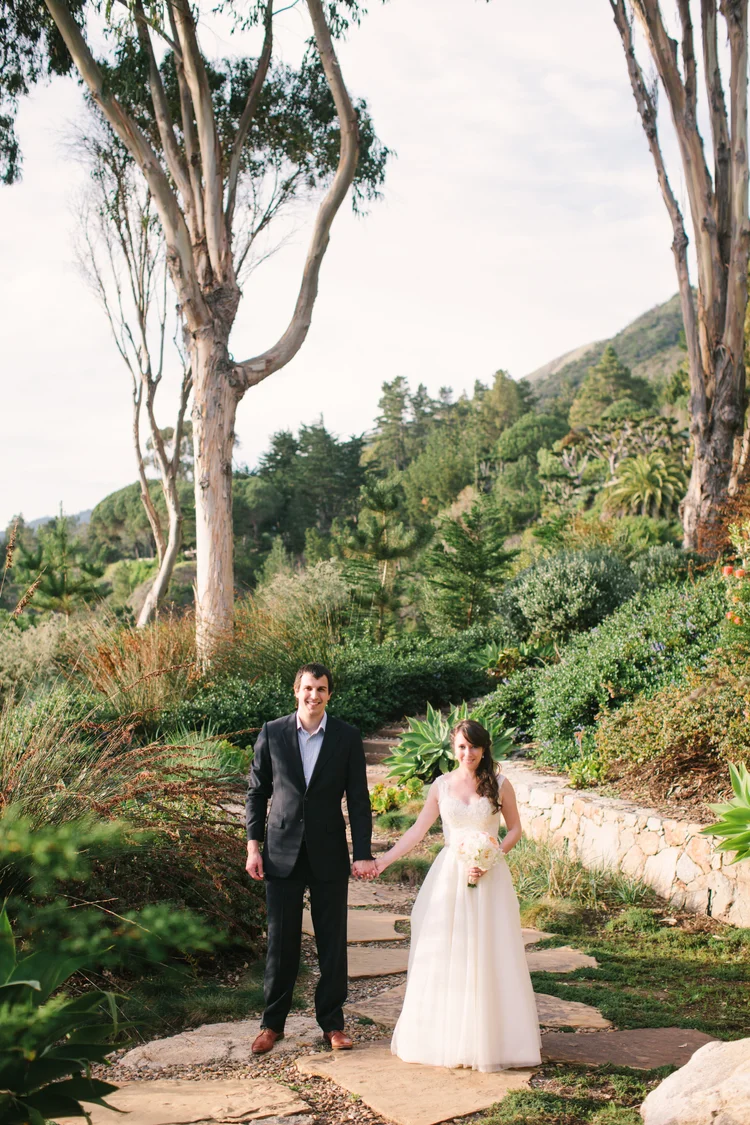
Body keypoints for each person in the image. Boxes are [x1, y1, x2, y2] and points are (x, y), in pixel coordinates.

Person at [375, 719, 542, 1072]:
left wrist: (491, 855)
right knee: (444, 948)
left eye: (474, 746)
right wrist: (384, 860)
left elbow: (515, 829)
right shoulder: (441, 786)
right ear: (453, 747)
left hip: (489, 876)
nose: (468, 753)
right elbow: (418, 831)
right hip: (450, 876)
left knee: (490, 951)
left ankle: (491, 1040)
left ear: (484, 748)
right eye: (462, 746)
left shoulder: (500, 783)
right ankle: (445, 1037)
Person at [245, 663, 377, 1056]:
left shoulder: (346, 736)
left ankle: (332, 1024)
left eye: (321, 689)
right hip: (280, 852)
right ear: (296, 691)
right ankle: (272, 1024)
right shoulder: (273, 732)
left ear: (329, 694)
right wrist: (253, 847)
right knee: (280, 943)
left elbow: (359, 799)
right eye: (307, 688)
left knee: (332, 942)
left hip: (328, 852)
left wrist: (363, 853)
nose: (313, 695)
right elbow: (257, 792)